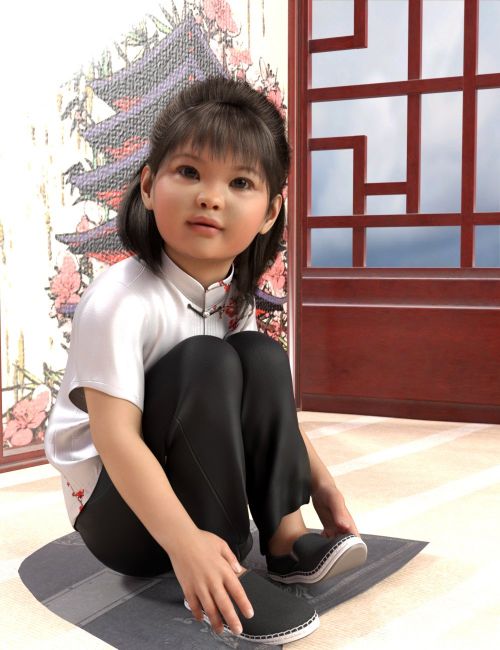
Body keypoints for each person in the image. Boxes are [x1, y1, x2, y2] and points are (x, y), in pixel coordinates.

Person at [44, 76, 367, 645]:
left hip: (185, 487)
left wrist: (322, 486)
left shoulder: (231, 297)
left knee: (259, 355)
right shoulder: (120, 300)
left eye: (239, 182)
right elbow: (116, 441)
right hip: (118, 515)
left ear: (269, 212)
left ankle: (286, 540)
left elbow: (269, 408)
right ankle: (226, 575)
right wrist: (185, 543)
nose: (211, 197)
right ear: (149, 186)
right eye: (189, 172)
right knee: (206, 361)